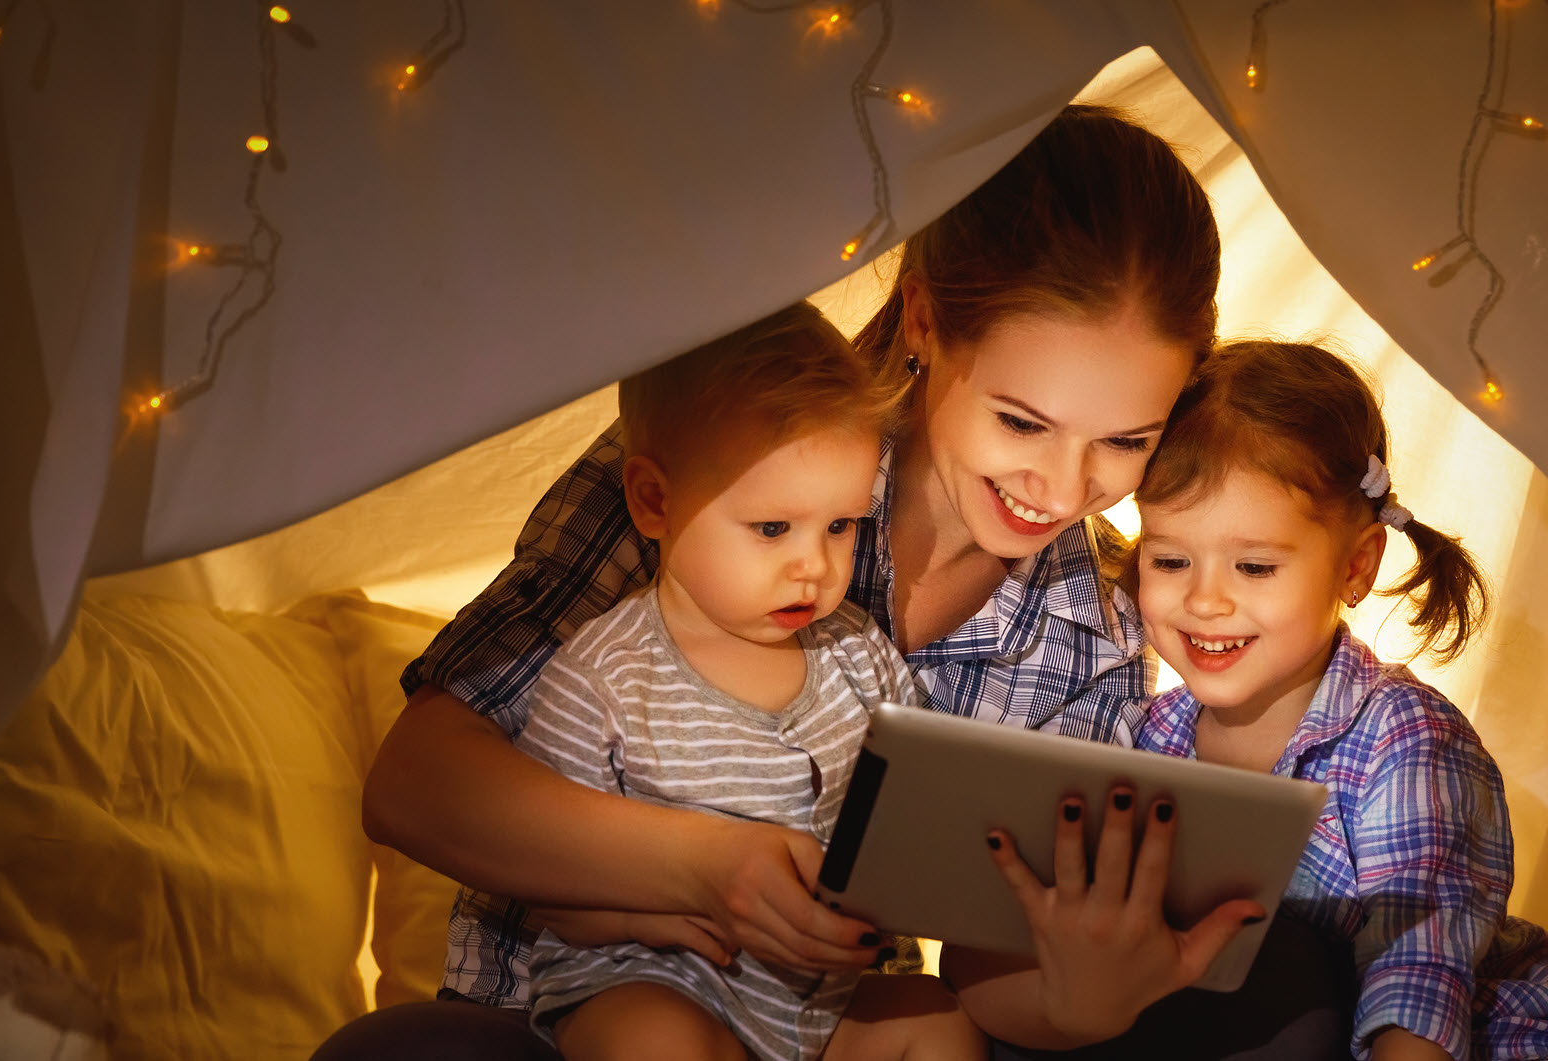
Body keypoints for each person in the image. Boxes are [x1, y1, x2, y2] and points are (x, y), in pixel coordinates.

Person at [322, 106, 1349, 1061]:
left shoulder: (1092, 629)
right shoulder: (730, 447)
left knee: (1283, 990)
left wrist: (1084, 995)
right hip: (571, 1016)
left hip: (826, 1022)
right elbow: (419, 782)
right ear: (923, 322)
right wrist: (703, 866)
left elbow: (989, 971)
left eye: (1123, 440)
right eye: (1020, 422)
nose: (1061, 487)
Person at [1119, 339, 1548, 1061]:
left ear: (1356, 566)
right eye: (1170, 559)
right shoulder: (1149, 739)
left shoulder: (1405, 737)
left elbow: (1416, 971)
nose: (1205, 599)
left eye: (1255, 565)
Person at [516, 303, 981, 1061]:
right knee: (652, 1039)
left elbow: (919, 809)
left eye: (841, 525)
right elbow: (547, 879)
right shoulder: (601, 678)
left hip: (827, 996)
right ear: (655, 502)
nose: (815, 565)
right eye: (773, 529)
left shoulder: (858, 654)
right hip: (660, 973)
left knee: (937, 1019)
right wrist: (661, 912)